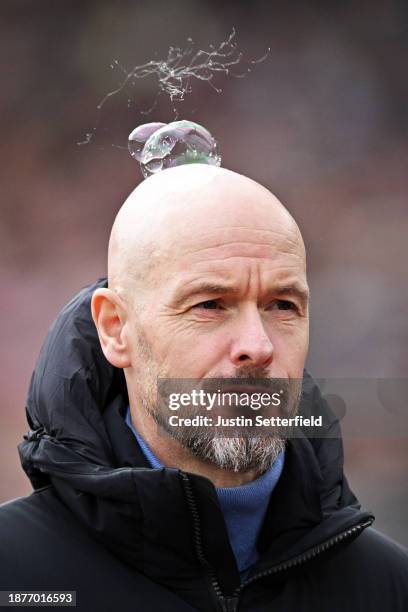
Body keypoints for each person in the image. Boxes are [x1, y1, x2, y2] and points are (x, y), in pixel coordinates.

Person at [0, 164, 407, 611]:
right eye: (210, 304)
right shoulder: (15, 576)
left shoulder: (387, 588)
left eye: (283, 305)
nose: (258, 346)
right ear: (116, 329)